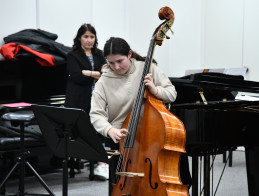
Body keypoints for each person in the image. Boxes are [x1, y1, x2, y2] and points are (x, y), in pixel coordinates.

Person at [90, 37, 191, 195]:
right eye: (111, 63)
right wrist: (109, 130)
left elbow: (172, 94)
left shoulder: (148, 68)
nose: (116, 67)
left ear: (129, 54)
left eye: (120, 61)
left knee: (177, 175)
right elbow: (96, 114)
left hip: (152, 135)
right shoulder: (103, 82)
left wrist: (155, 90)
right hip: (122, 139)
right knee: (124, 186)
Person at [64, 23, 108, 180]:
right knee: (88, 127)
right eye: (86, 37)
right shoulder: (72, 55)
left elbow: (106, 74)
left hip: (97, 99)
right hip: (78, 100)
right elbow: (77, 76)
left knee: (101, 124)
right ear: (79, 38)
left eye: (92, 37)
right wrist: (96, 74)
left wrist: (88, 72)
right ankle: (98, 161)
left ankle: (101, 164)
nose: (89, 40)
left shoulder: (99, 54)